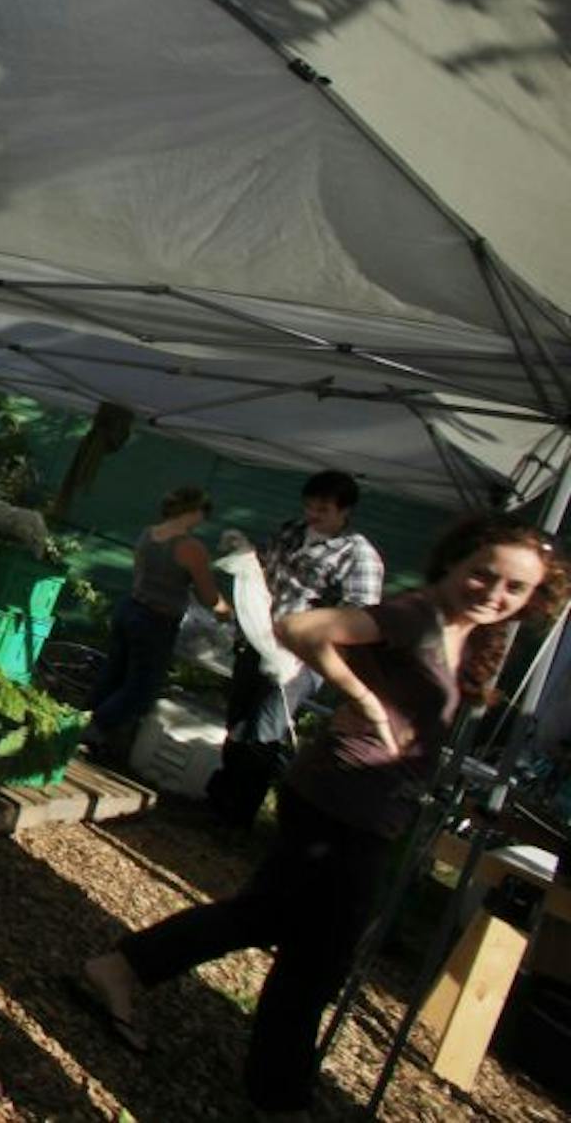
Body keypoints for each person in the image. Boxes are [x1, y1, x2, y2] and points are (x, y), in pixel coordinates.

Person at [78, 515, 566, 1117]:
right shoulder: (415, 614)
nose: (494, 594)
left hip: (364, 803)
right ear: (457, 563)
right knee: (317, 955)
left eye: (514, 589)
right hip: (342, 801)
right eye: (484, 575)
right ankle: (277, 1094)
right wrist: (359, 698)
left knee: (273, 921)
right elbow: (301, 627)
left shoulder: (467, 632)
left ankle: (126, 972)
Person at [205, 470, 384, 831]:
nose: (313, 515)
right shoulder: (291, 530)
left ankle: (237, 817)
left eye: (323, 509)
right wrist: (245, 556)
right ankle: (218, 802)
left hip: (301, 659)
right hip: (259, 640)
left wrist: (310, 648)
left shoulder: (359, 554)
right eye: (309, 507)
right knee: (237, 722)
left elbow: (356, 619)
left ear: (344, 510)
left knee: (264, 732)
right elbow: (263, 575)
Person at [82, 486, 229, 765]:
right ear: (195, 511)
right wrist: (225, 609)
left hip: (130, 607)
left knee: (113, 675)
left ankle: (79, 723)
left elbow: (141, 574)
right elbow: (208, 596)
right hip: (156, 620)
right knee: (141, 688)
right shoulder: (190, 547)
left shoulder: (149, 534)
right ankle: (92, 731)